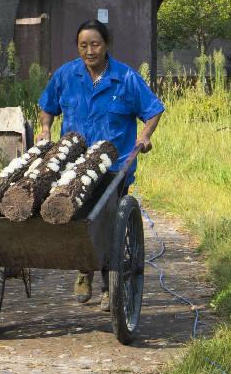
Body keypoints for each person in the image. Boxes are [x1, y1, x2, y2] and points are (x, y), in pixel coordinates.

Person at [34, 18, 163, 309]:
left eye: (95, 44)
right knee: (75, 212)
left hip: (113, 167)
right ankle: (84, 269)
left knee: (105, 219)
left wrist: (144, 136)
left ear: (106, 46)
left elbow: (152, 110)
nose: (89, 51)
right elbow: (47, 106)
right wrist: (45, 129)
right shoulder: (66, 76)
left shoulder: (126, 78)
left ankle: (109, 283)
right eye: (83, 45)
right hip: (74, 163)